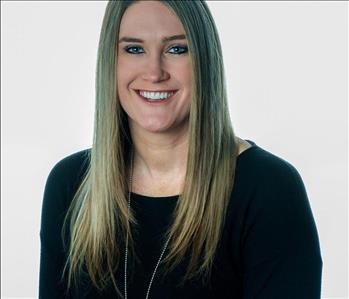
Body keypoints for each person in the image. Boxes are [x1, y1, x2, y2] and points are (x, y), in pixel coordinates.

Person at [39, 1, 323, 298]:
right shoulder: (71, 184)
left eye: (176, 49)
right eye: (134, 49)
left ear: (204, 60)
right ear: (110, 61)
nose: (154, 72)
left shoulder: (269, 189)